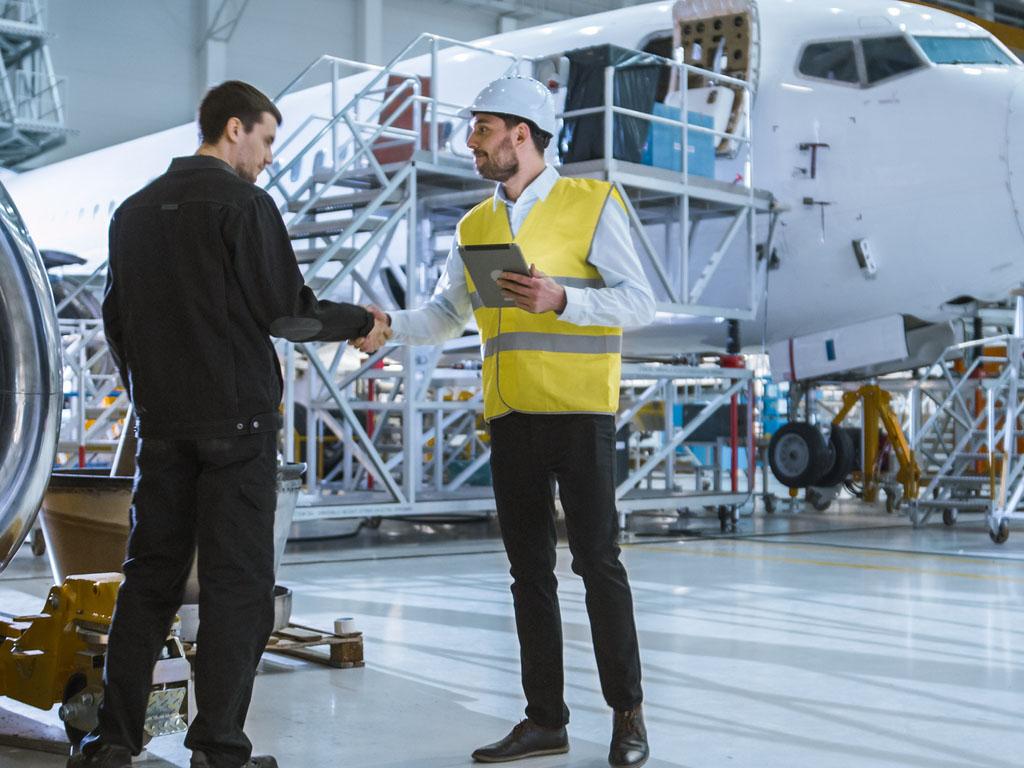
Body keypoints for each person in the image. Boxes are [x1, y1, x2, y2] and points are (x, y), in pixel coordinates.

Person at [71, 80, 391, 768]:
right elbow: (288, 312)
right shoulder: (245, 205)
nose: (270, 157)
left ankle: (114, 740)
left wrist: (148, 396)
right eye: (268, 139)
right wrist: (362, 321)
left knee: (148, 581)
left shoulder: (130, 214)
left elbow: (116, 323)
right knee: (235, 587)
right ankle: (217, 748)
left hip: (163, 428)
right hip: (237, 431)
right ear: (235, 128)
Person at [372, 75, 654, 768]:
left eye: (480, 129)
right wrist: (386, 328)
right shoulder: (475, 226)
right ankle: (544, 720)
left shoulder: (592, 203)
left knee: (598, 566)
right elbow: (444, 316)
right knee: (530, 574)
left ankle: (628, 716)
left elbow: (641, 302)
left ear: (519, 134)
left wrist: (563, 300)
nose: (470, 142)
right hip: (512, 421)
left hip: (582, 414)